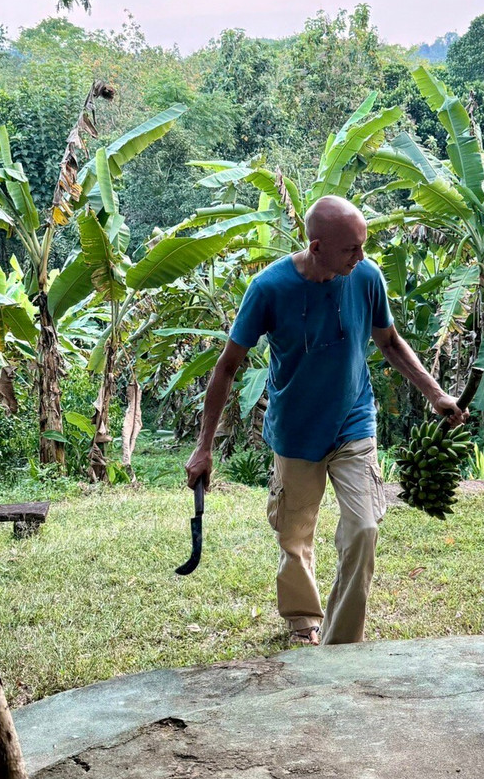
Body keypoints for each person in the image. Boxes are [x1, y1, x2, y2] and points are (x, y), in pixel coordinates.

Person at [184, 195, 468, 646]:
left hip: (353, 420)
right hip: (295, 430)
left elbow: (390, 342)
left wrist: (436, 394)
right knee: (294, 536)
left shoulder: (366, 276)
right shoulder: (269, 288)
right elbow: (227, 366)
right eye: (350, 249)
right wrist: (204, 447)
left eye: (363, 246)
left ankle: (341, 644)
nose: (362, 257)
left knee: (364, 528)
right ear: (316, 247)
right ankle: (302, 621)